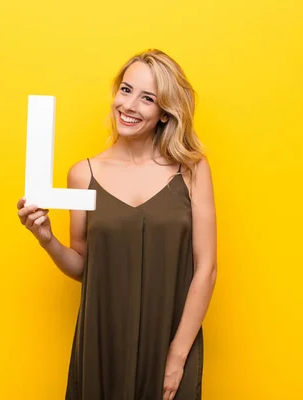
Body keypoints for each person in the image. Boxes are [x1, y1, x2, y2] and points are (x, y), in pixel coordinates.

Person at [17, 49, 217, 400]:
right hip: (102, 340)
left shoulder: (191, 170)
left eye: (147, 98)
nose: (129, 105)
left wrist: (178, 354)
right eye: (125, 90)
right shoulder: (82, 174)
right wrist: (46, 239)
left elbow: (207, 269)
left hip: (169, 338)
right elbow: (82, 266)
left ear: (164, 113)